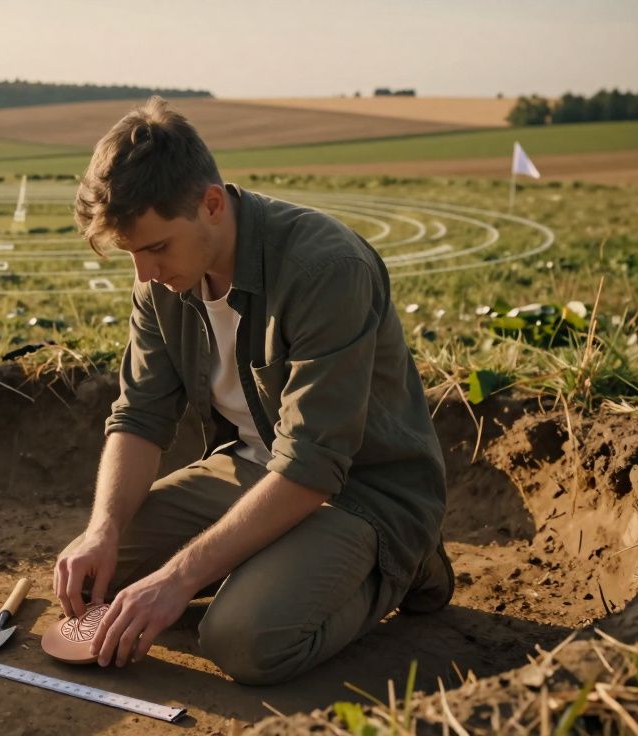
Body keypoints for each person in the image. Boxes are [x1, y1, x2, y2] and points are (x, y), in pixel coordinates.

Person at [53, 96, 452, 685]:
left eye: (157, 247)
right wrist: (102, 530)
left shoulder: (327, 269)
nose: (144, 274)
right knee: (94, 580)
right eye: (131, 254)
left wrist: (179, 578)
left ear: (211, 204)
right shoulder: (160, 283)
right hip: (249, 472)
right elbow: (139, 418)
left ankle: (406, 567)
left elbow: (314, 465)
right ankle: (268, 560)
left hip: (359, 493)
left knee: (242, 641)